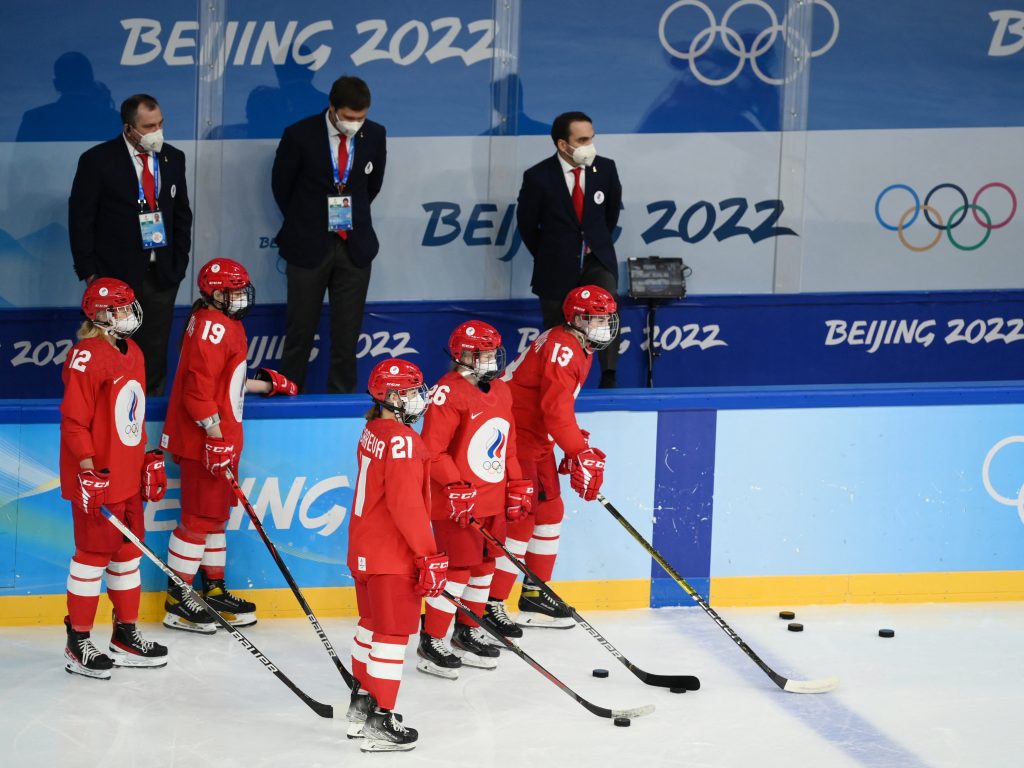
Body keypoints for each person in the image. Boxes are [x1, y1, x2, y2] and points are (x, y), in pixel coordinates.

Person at [159, 258, 297, 634]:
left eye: (241, 289)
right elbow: (197, 390)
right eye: (232, 291)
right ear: (215, 294)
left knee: (215, 517)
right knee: (197, 519)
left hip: (218, 439)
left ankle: (213, 589)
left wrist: (264, 386)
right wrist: (215, 437)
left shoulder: (220, 323)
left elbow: (223, 384)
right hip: (206, 441)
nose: (240, 297)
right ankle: (178, 598)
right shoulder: (212, 326)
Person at [487, 286, 618, 629]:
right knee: (521, 520)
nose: (603, 325)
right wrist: (578, 450)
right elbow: (555, 411)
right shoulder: (564, 347)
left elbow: (555, 410)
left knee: (550, 511)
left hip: (536, 437)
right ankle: (491, 603)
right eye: (595, 318)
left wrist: (573, 443)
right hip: (517, 436)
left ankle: (533, 593)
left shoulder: (577, 344)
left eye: (606, 318)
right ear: (576, 318)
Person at [60, 278, 169, 679]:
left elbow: (132, 415)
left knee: (127, 557)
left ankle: (125, 635)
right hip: (98, 479)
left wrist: (144, 459)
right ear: (100, 315)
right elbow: (74, 422)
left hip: (125, 479)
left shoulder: (134, 352)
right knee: (91, 559)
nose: (127, 315)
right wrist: (87, 472)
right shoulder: (84, 356)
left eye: (128, 307)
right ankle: (79, 640)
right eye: (118, 309)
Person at [415, 321, 534, 678]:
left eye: (491, 352)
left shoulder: (501, 390)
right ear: (461, 355)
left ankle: (467, 631)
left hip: (492, 500)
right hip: (456, 503)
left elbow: (507, 445)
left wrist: (517, 483)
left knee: (484, 567)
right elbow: (432, 451)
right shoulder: (446, 393)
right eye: (479, 353)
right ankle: (432, 639)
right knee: (457, 570)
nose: (487, 359)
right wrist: (455, 485)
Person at [345, 359, 448, 752]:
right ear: (389, 397)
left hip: (364, 550)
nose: (419, 399)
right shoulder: (403, 441)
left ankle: (362, 706)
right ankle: (381, 719)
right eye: (409, 392)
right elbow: (407, 507)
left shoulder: (373, 428)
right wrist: (429, 554)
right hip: (391, 555)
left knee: (369, 626)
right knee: (390, 635)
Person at [69, 93, 193, 396]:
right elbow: (80, 221)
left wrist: (178, 263)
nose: (158, 132)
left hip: (162, 275)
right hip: (114, 279)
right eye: (149, 127)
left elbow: (182, 215)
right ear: (129, 129)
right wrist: (91, 275)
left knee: (154, 354)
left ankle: (147, 427)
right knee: (111, 355)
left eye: (161, 124)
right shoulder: (97, 161)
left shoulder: (173, 158)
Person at [272, 75, 387, 394]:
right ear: (333, 108)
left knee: (347, 337)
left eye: (361, 118)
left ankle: (340, 405)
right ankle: (288, 397)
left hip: (355, 248)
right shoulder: (299, 135)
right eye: (349, 118)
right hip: (308, 246)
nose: (356, 124)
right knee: (299, 333)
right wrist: (308, 220)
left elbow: (371, 185)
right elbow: (282, 187)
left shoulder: (375, 135)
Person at [516, 111, 623, 388]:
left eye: (592, 138)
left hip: (596, 258)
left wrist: (592, 244)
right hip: (556, 263)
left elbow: (610, 216)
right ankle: (558, 381)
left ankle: (609, 376)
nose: (590, 146)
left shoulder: (606, 169)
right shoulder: (538, 176)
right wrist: (550, 254)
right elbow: (527, 225)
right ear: (563, 144)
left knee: (606, 306)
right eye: (583, 139)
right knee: (556, 326)